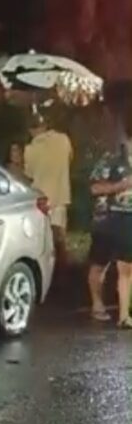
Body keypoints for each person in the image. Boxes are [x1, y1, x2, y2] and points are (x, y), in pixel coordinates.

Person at [88, 134, 132, 329]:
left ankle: (124, 315)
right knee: (99, 264)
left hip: (128, 220)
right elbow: (94, 188)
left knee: (126, 267)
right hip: (106, 218)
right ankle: (97, 303)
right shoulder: (110, 160)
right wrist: (121, 186)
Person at [24, 114, 73, 264]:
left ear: (31, 130)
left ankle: (45, 269)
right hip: (60, 197)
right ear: (45, 126)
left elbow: (29, 174)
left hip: (41, 200)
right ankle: (62, 269)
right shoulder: (64, 140)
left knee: (42, 240)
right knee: (60, 240)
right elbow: (70, 158)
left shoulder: (30, 149)